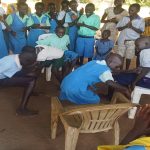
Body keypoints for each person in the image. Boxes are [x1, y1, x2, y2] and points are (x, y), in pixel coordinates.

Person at [59, 53, 130, 104]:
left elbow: (84, 73)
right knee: (96, 100)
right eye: (117, 66)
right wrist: (125, 89)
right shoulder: (105, 71)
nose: (117, 68)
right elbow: (109, 82)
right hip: (73, 89)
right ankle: (77, 104)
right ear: (111, 63)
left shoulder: (94, 62)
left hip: (65, 82)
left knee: (92, 87)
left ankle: (70, 97)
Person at [0, 46, 38, 116]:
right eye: (30, 63)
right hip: (2, 79)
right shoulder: (8, 64)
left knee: (33, 75)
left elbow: (25, 68)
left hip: (10, 73)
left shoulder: (18, 57)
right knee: (31, 81)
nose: (32, 65)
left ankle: (29, 91)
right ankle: (21, 110)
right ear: (25, 61)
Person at [116, 3, 145, 70]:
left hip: (132, 41)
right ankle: (121, 70)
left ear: (137, 11)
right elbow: (119, 28)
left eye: (132, 10)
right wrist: (126, 26)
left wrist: (131, 26)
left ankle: (126, 69)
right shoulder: (125, 18)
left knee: (129, 57)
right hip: (122, 40)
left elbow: (141, 31)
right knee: (121, 56)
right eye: (129, 10)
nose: (129, 11)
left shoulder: (141, 20)